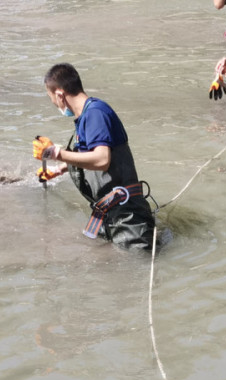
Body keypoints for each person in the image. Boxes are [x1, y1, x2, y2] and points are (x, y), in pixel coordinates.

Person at [33, 63, 155, 251]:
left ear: (59, 94)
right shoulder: (86, 116)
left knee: (137, 266)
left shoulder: (95, 114)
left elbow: (102, 160)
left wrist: (57, 154)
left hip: (128, 217)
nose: (56, 105)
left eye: (53, 100)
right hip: (110, 214)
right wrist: (58, 170)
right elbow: (88, 155)